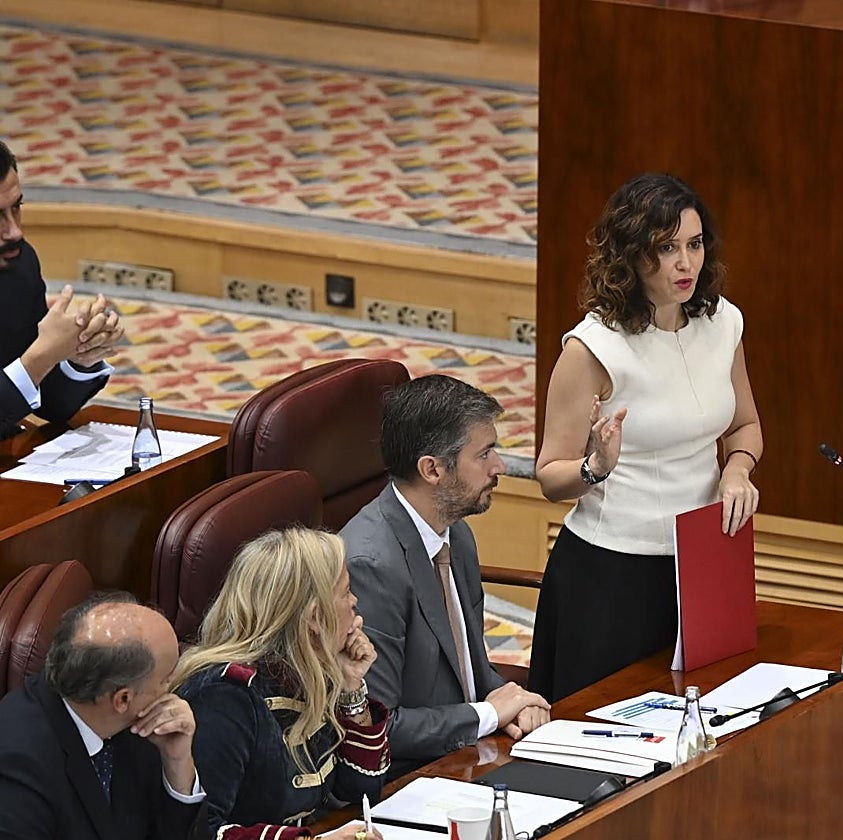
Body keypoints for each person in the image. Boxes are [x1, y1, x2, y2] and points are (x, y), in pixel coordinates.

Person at [528, 172, 764, 702]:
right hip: (612, 574)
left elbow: (745, 426)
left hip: (702, 563)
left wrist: (737, 470)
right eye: (667, 248)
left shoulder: (723, 324)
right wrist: (596, 467)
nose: (686, 264)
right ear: (632, 256)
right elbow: (549, 476)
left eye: (695, 245)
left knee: (703, 723)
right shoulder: (593, 349)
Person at [341, 374, 551, 774]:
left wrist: (515, 704)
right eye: (484, 454)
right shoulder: (371, 566)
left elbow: (470, 669)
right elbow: (381, 725)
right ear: (432, 469)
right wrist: (488, 715)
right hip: (409, 776)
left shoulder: (456, 533)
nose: (500, 466)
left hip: (469, 749)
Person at [175, 527, 387, 840]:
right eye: (345, 592)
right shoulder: (223, 698)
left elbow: (361, 792)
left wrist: (351, 685)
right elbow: (200, 832)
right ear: (314, 618)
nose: (354, 601)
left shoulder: (308, 672)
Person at [0, 591, 208, 839]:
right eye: (167, 678)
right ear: (123, 699)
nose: (173, 689)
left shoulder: (136, 724)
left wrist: (177, 762)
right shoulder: (17, 771)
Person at [0, 139, 125, 439]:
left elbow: (50, 405)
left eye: (16, 208)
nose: (15, 231)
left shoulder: (18, 267)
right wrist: (40, 357)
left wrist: (77, 356)